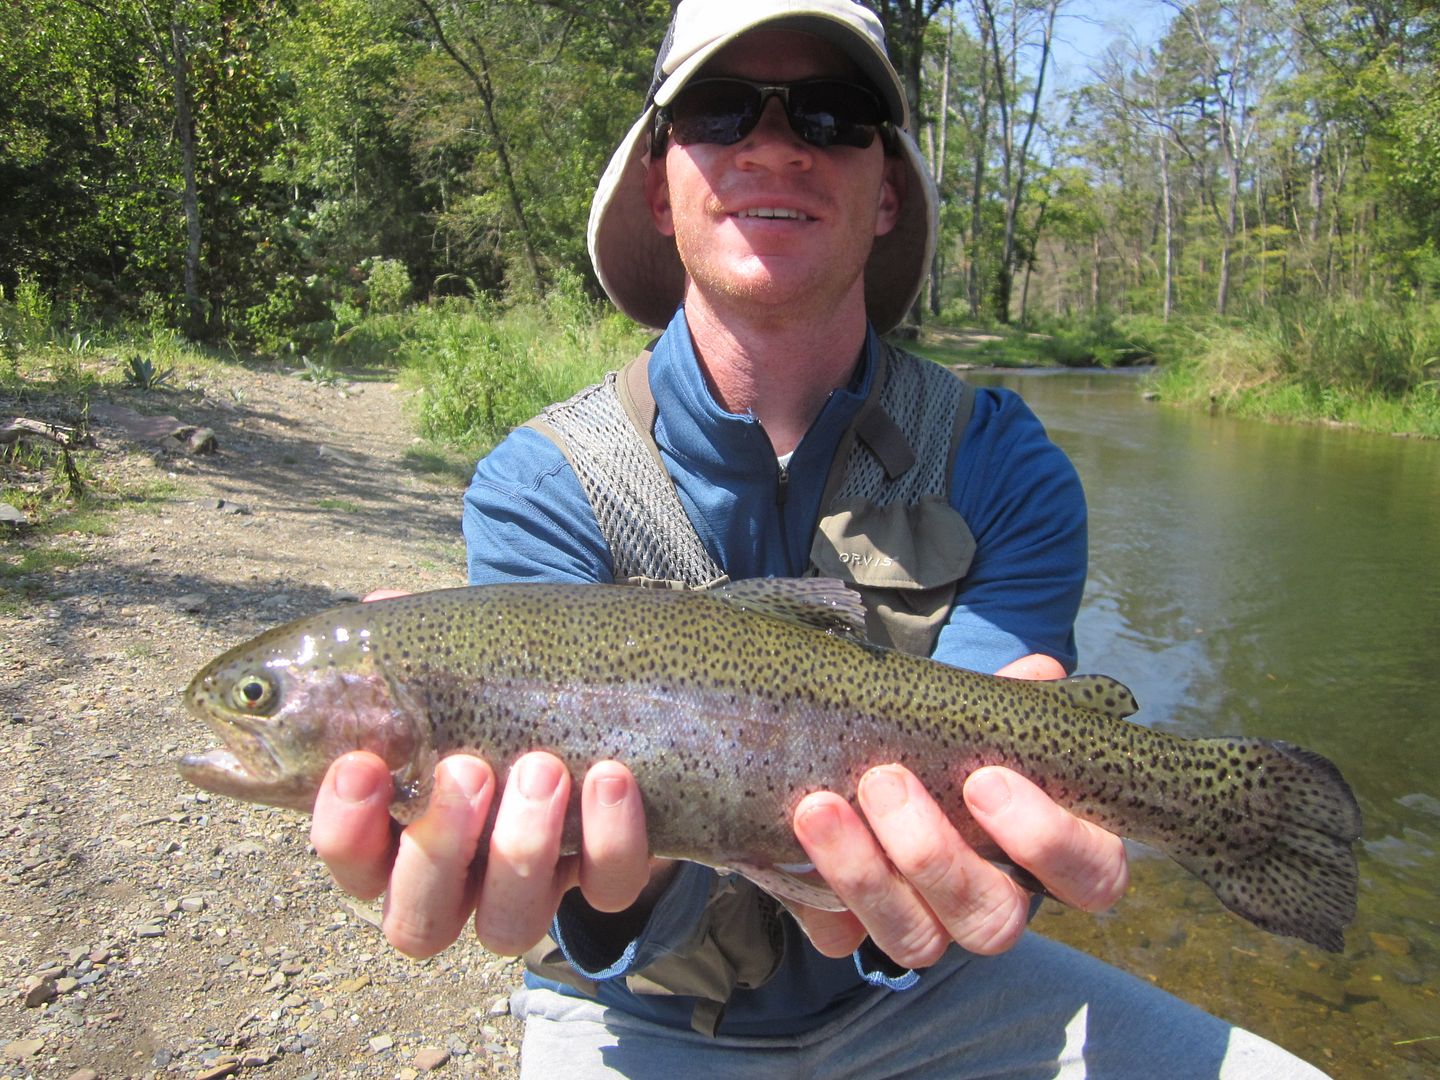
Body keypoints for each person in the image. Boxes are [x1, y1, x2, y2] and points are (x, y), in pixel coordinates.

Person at [309, 2, 1329, 1075]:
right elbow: (559, 859)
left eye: (835, 116)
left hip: (945, 994)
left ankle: (1232, 813)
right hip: (642, 1014)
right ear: (659, 186)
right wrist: (611, 894)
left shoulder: (1003, 465)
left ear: (889, 193)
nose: (776, 146)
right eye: (719, 110)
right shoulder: (541, 484)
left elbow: (990, 777)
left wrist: (961, 889)